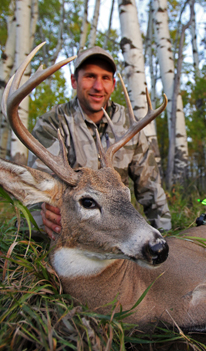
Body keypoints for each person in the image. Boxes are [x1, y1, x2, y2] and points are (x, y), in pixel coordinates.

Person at [28, 46, 172, 238]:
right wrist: (44, 211)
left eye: (105, 78)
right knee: (34, 226)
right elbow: (38, 185)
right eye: (89, 76)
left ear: (113, 84)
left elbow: (151, 189)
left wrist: (167, 235)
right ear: (73, 81)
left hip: (116, 227)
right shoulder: (52, 123)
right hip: (70, 225)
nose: (98, 86)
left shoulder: (130, 125)